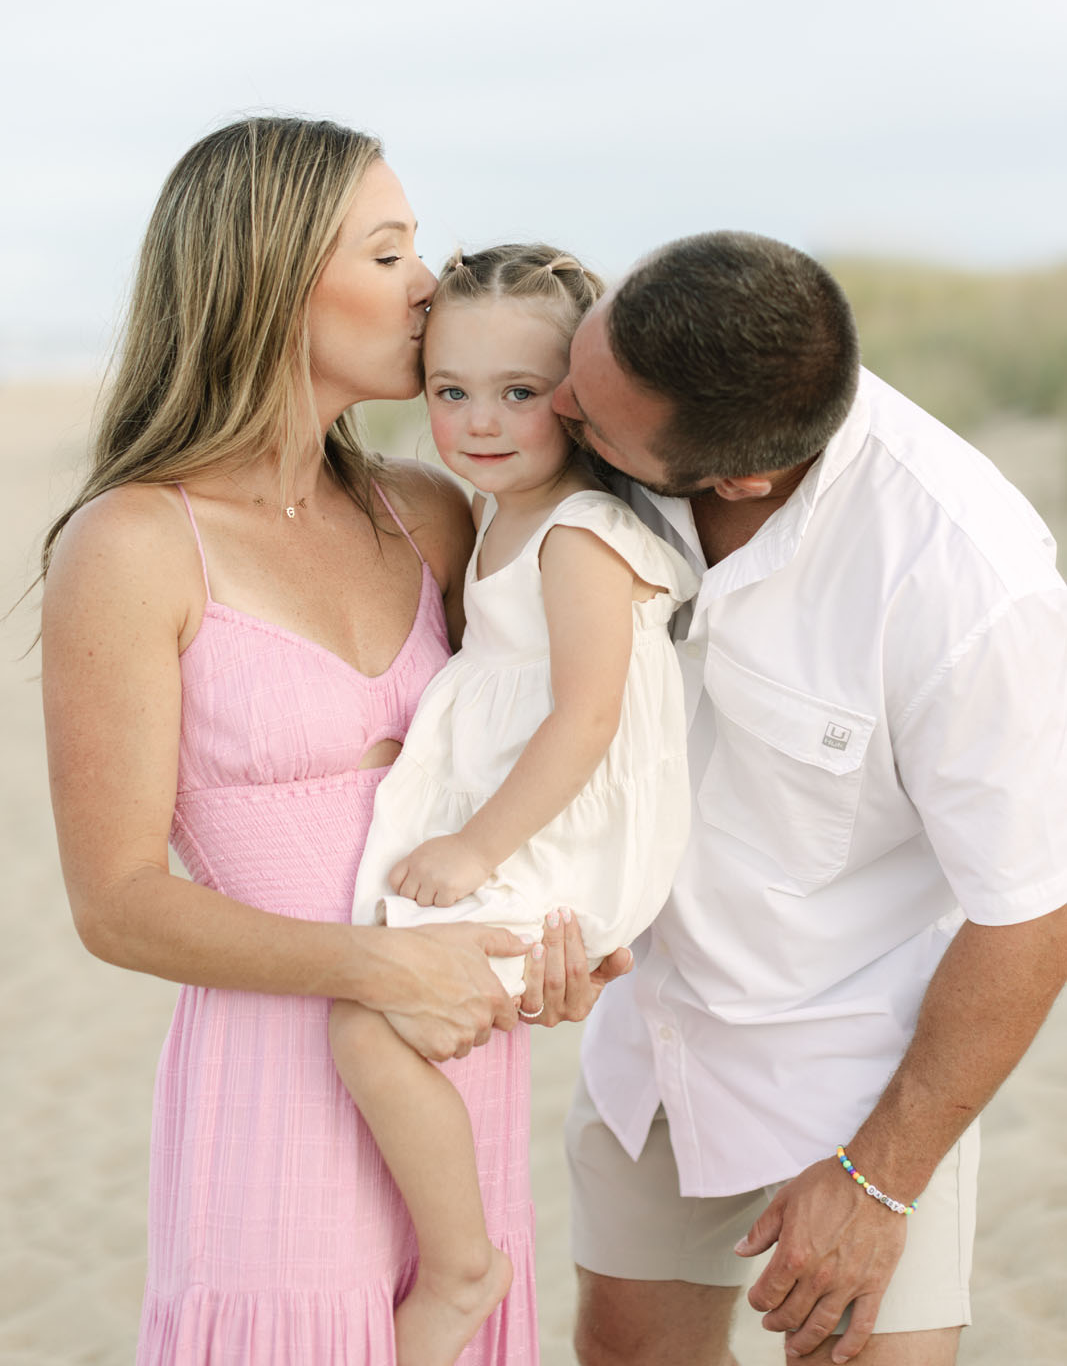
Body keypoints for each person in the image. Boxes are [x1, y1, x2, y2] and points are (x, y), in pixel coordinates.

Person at [39, 118, 626, 1366]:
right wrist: (373, 968)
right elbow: (118, 904)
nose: (427, 284)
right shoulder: (135, 544)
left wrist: (562, 937)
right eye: (386, 250)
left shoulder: (429, 512)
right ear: (269, 278)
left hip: (451, 1056)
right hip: (277, 1070)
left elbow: (528, 759)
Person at [550, 230, 1067, 1366]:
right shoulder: (601, 420)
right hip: (653, 1032)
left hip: (862, 1065)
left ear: (736, 477)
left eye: (587, 417)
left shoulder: (968, 584)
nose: (555, 408)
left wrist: (875, 1181)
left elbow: (1028, 911)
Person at [329, 243, 699, 1366]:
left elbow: (584, 719)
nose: (478, 421)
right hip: (536, 809)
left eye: (519, 393)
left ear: (579, 402)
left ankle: (459, 1266)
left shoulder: (579, 537)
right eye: (450, 391)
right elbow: (503, 679)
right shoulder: (504, 514)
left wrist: (474, 839)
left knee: (363, 1022)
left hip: (567, 839)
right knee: (374, 1004)